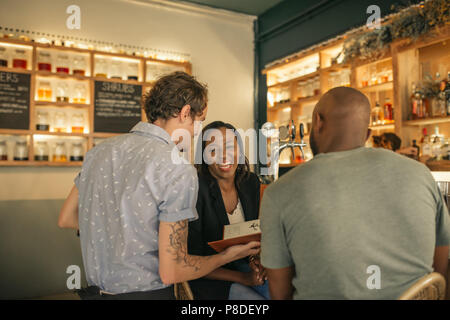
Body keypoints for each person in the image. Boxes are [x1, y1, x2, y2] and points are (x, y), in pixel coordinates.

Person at [58, 72, 260, 299]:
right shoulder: (177, 168)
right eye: (199, 121)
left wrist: (119, 230)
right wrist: (227, 256)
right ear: (185, 113)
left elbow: (66, 217)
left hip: (94, 292)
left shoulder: (99, 152)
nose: (197, 131)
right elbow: (173, 271)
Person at [260, 86, 450, 299]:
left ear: (318, 122)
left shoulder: (279, 192)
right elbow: (441, 260)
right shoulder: (421, 174)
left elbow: (279, 292)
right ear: (368, 134)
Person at [187, 121, 270, 300]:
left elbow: (250, 234)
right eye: (213, 150)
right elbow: (191, 259)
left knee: (284, 291)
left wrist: (255, 262)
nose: (224, 156)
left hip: (243, 266)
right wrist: (243, 278)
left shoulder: (250, 183)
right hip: (209, 276)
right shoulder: (195, 191)